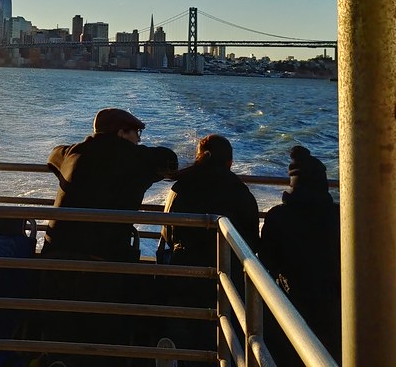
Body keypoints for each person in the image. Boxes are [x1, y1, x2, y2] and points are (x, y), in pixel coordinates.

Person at [39, 108, 178, 363]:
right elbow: (169, 160)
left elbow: (53, 155)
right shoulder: (138, 158)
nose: (139, 139)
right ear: (121, 132)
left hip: (56, 258)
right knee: (105, 329)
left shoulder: (72, 153)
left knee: (60, 327)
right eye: (136, 133)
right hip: (104, 262)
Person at [158, 134, 259, 349]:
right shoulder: (242, 192)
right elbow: (251, 242)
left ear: (199, 157)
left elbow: (168, 233)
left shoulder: (181, 187)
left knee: (186, 334)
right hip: (229, 277)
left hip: (186, 274)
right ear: (230, 162)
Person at [259, 145, 342, 366]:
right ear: (323, 183)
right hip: (336, 303)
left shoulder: (278, 216)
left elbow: (266, 260)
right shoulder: (341, 216)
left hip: (292, 301)